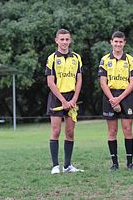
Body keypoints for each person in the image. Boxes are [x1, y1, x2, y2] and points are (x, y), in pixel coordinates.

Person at [98, 31, 133, 171]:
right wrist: (112, 99)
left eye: (121, 42)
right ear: (111, 42)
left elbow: (132, 82)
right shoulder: (105, 60)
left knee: (127, 129)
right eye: (116, 41)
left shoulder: (130, 60)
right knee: (112, 131)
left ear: (124, 43)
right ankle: (114, 164)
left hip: (125, 96)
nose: (118, 44)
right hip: (110, 95)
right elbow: (103, 82)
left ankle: (130, 163)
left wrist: (119, 99)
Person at [45, 28, 83, 174]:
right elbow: (50, 82)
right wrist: (63, 100)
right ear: (56, 40)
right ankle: (55, 166)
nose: (64, 42)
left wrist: (74, 98)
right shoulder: (52, 58)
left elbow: (79, 80)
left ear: (70, 40)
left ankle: (67, 166)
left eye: (67, 39)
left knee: (70, 132)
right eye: (62, 39)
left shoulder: (76, 58)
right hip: (57, 98)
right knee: (55, 131)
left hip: (72, 99)